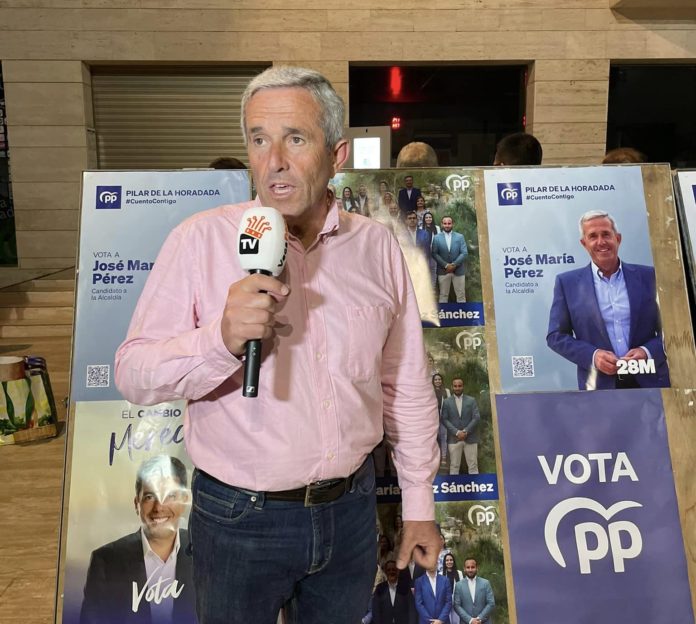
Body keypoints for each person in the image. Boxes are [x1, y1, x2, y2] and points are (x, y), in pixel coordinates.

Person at [114, 65, 440, 624]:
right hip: (238, 519)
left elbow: (405, 383)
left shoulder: (377, 247)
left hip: (351, 513)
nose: (274, 161)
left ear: (337, 154)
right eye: (259, 140)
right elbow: (133, 373)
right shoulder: (199, 240)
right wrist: (219, 340)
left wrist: (418, 505)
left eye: (295, 139)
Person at [546, 210, 670, 390]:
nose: (601, 242)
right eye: (593, 236)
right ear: (584, 243)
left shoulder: (649, 276)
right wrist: (593, 356)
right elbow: (556, 336)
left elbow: (673, 329)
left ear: (617, 238)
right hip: (599, 387)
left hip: (651, 382)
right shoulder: (567, 283)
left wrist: (648, 352)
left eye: (606, 234)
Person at [80, 456, 195, 624]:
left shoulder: (205, 553)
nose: (159, 507)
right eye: (149, 497)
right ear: (137, 503)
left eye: (170, 495)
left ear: (184, 500)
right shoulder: (105, 561)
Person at [441, 378, 480, 475]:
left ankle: (475, 485)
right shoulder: (446, 402)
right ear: (452, 387)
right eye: (455, 386)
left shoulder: (471, 400)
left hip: (470, 438)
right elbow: (444, 419)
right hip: (454, 438)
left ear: (463, 387)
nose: (457, 388)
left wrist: (466, 431)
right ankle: (454, 485)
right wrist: (457, 432)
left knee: (473, 466)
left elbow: (476, 417)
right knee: (454, 466)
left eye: (459, 386)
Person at [431, 216, 468, 303]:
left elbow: (464, 253)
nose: (447, 225)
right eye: (445, 223)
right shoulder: (436, 238)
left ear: (452, 224)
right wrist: (446, 265)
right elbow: (434, 253)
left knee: (461, 295)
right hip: (443, 271)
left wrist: (454, 265)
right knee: (443, 295)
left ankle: (462, 312)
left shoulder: (460, 237)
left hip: (458, 271)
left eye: (449, 223)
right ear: (442, 224)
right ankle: (443, 312)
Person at [372, 560, 417, 624]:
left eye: (394, 569)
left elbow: (412, 610)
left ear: (398, 571)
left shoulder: (405, 587)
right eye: (389, 570)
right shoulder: (380, 588)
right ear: (386, 572)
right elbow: (376, 611)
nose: (391, 572)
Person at [452, 558, 495, 624]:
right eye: (468, 567)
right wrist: (470, 620)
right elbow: (456, 605)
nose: (470, 570)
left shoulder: (485, 583)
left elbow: (491, 603)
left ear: (477, 568)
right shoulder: (458, 585)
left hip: (484, 622)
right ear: (464, 569)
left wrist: (479, 618)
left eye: (472, 567)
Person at [432, 373, 451, 470]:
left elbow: (450, 404)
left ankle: (443, 458)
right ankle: (434, 458)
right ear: (433, 381)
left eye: (439, 379)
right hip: (432, 419)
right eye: (436, 379)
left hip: (443, 418)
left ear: (442, 381)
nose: (437, 381)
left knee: (444, 437)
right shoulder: (429, 390)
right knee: (433, 438)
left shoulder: (446, 391)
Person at [441, 553, 464, 624]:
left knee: (456, 620)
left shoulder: (459, 573)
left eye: (451, 560)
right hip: (445, 601)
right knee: (448, 620)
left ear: (453, 561)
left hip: (457, 601)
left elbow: (462, 588)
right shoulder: (440, 574)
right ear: (444, 562)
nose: (449, 562)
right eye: (447, 560)